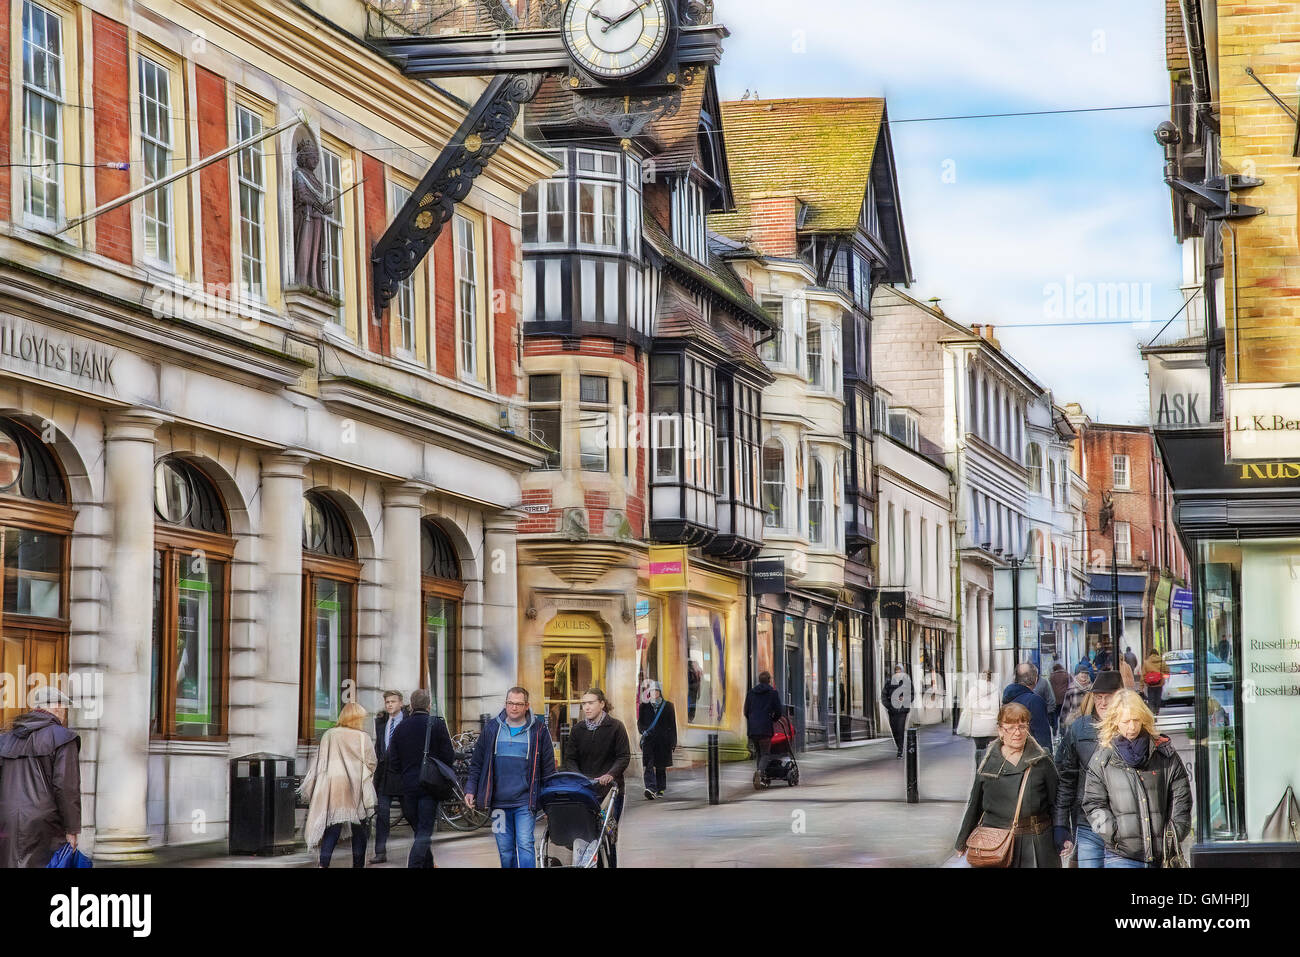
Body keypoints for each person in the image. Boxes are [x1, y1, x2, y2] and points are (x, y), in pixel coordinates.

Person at [1081, 689, 1192, 868]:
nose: (1132, 727)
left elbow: (1182, 797)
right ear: (1115, 721)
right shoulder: (1103, 760)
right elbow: (1093, 804)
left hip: (1162, 854)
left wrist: (1175, 833)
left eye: (1136, 720)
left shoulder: (1164, 754)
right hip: (1122, 856)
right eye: (1126, 721)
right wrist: (1114, 835)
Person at [955, 702, 1060, 868]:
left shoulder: (1042, 760)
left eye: (1022, 726)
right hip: (995, 842)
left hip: (1036, 841)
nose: (1017, 733)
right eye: (1010, 727)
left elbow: (1057, 802)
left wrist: (1062, 834)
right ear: (1000, 730)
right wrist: (962, 840)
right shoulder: (987, 760)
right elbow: (974, 804)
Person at [465, 687, 557, 868]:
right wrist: (470, 789)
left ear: (527, 706)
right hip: (498, 804)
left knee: (525, 845)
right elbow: (477, 763)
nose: (513, 707)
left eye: (518, 704)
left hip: (525, 803)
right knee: (505, 851)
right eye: (510, 703)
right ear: (505, 704)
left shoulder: (538, 731)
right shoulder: (492, 728)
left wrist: (550, 803)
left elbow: (548, 770)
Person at [0, 686, 81, 868]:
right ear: (58, 707)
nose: (64, 714)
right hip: (45, 822)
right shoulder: (64, 738)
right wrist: (72, 829)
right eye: (64, 708)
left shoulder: (6, 739)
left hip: (7, 818)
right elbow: (66, 787)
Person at [1053, 670, 1122, 867]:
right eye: (1098, 697)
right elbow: (1066, 779)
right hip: (1088, 823)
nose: (1102, 703)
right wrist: (1060, 824)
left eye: (1108, 697)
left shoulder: (1131, 729)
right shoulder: (1079, 728)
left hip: (1125, 826)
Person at [298, 701, 377, 868]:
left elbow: (320, 761)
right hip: (356, 787)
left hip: (334, 786)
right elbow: (372, 763)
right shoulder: (363, 738)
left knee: (333, 828)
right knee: (360, 829)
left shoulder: (329, 735)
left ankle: (323, 864)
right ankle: (358, 865)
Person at [386, 688, 454, 868]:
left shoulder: (401, 728)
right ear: (429, 706)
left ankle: (429, 864)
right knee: (424, 832)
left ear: (411, 706)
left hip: (408, 788)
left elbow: (392, 761)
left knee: (420, 831)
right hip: (429, 787)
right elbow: (449, 756)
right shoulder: (437, 725)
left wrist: (406, 773)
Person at [564, 688, 631, 865]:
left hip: (610, 792)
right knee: (588, 834)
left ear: (601, 704)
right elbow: (570, 758)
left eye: (590, 703)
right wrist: (579, 777)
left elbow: (623, 756)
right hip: (585, 790)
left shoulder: (616, 727)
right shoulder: (578, 729)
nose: (586, 707)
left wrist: (610, 774)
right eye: (584, 704)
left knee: (608, 835)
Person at [369, 690, 408, 864]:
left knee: (411, 814)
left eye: (393, 701)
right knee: (382, 815)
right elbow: (379, 748)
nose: (390, 705)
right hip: (384, 776)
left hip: (402, 776)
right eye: (387, 702)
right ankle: (380, 852)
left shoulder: (407, 722)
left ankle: (425, 850)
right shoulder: (382, 722)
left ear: (401, 703)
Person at [636, 682, 677, 799]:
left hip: (663, 741)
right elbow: (640, 723)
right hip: (649, 740)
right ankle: (650, 788)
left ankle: (660, 788)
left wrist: (673, 741)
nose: (654, 693)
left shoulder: (668, 706)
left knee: (660, 766)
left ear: (660, 692)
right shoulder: (644, 706)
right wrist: (643, 731)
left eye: (657, 691)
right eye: (652, 691)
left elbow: (672, 725)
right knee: (648, 765)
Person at [743, 671, 785, 784]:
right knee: (765, 753)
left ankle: (761, 777)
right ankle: (760, 772)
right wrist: (773, 719)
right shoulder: (773, 693)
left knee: (759, 753)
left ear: (759, 680)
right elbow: (778, 711)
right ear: (769, 680)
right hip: (765, 728)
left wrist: (752, 720)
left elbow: (746, 711)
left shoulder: (751, 693)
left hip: (753, 729)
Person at [1002, 663, 1052, 750]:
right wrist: (1047, 757)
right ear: (1035, 679)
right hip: (1029, 755)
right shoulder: (1034, 701)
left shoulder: (1007, 699)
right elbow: (1041, 735)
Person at [956, 670, 1000, 767]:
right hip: (992, 726)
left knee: (979, 749)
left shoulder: (974, 689)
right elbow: (999, 707)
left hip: (978, 726)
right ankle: (989, 769)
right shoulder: (996, 689)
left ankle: (979, 768)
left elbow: (968, 706)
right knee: (991, 750)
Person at [882, 664, 914, 758]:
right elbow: (884, 696)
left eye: (899, 671)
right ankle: (898, 746)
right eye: (896, 671)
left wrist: (904, 699)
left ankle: (900, 750)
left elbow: (912, 695)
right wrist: (889, 706)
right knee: (894, 730)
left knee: (900, 729)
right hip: (892, 711)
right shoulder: (889, 682)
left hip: (902, 710)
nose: (897, 672)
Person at [1057, 665, 1093, 731]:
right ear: (1077, 674)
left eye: (1086, 673)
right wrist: (1062, 723)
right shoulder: (1072, 689)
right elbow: (1066, 707)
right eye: (1082, 673)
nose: (1084, 675)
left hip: (1090, 723)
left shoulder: (1092, 689)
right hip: (1075, 723)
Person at [1141, 651, 1169, 716]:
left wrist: (1141, 686)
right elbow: (1167, 671)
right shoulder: (1162, 662)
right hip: (1159, 684)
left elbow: (1143, 675)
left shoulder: (1146, 662)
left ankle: (1152, 711)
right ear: (1157, 654)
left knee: (1151, 699)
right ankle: (1157, 711)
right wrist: (1162, 677)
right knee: (1158, 698)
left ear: (1150, 654)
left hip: (1150, 684)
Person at [1048, 663, 1070, 733]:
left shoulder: (1051, 676)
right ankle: (1062, 731)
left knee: (1055, 715)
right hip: (1064, 699)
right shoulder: (1066, 675)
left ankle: (1055, 729)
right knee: (1063, 715)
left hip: (1055, 699)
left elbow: (1049, 687)